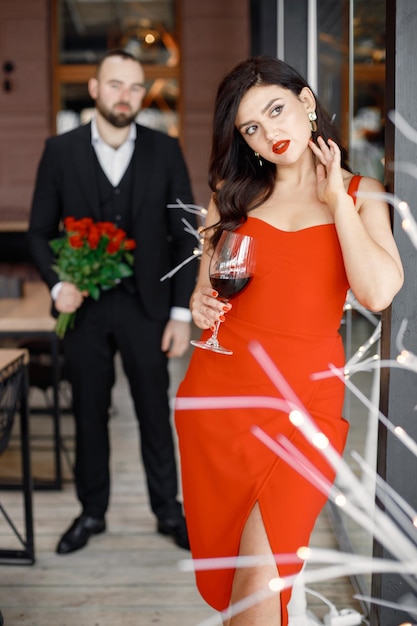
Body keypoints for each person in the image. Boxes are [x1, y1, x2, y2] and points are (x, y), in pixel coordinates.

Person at [174, 56, 404, 626]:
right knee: (242, 596)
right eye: (251, 127)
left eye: (276, 110)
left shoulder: (362, 191)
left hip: (305, 406)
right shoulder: (232, 195)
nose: (270, 133)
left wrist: (336, 202)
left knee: (257, 587)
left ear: (306, 102)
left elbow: (377, 292)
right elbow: (208, 298)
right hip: (221, 400)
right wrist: (199, 303)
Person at [28, 48, 197, 554]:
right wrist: (60, 287)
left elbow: (185, 235)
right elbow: (38, 234)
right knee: (89, 412)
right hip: (85, 310)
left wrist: (181, 313)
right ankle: (92, 513)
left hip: (149, 307)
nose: (126, 95)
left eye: (135, 86)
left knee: (153, 411)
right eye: (116, 84)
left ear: (142, 94)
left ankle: (169, 512)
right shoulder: (60, 151)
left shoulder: (165, 151)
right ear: (96, 89)